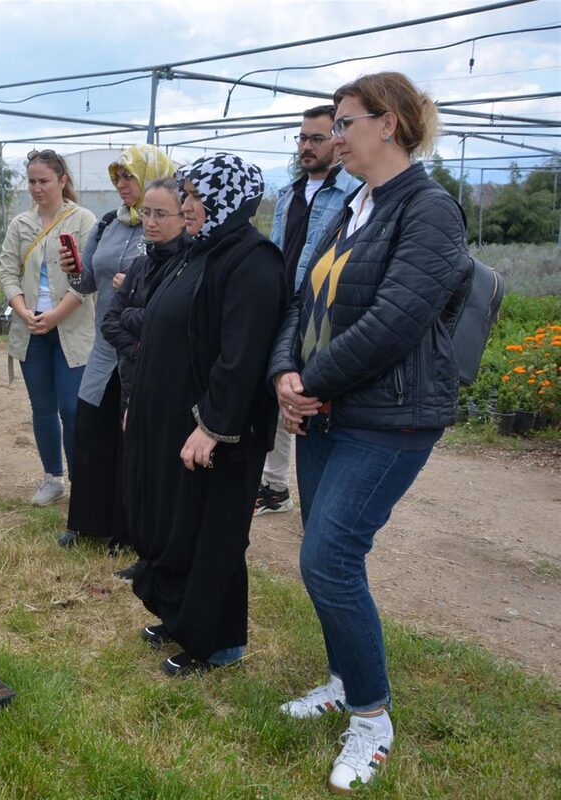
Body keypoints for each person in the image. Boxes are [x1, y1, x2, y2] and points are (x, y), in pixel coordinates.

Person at [268, 72, 469, 793]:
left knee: (329, 558)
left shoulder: (430, 209)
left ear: (389, 124)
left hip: (390, 417)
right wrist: (285, 376)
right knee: (324, 557)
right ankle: (345, 679)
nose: (333, 138)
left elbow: (396, 320)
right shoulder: (353, 203)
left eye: (345, 123)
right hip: (329, 409)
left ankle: (373, 718)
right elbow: (303, 294)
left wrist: (311, 381)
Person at [121, 153, 285, 677]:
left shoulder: (253, 260)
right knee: (178, 522)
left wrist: (213, 426)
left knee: (213, 532)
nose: (185, 205)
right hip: (174, 417)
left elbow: (241, 356)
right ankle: (180, 615)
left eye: (194, 196)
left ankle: (218, 644)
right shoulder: (204, 251)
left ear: (224, 200)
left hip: (217, 430)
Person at [55, 145, 175, 549]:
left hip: (143, 349)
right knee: (90, 429)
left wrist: (140, 286)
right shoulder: (109, 223)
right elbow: (88, 281)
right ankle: (87, 521)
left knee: (131, 439)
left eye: (130, 176)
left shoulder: (170, 227)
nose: (122, 185)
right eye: (118, 177)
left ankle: (125, 530)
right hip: (105, 348)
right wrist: (74, 270)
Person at [255, 106, 360, 516]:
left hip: (320, 312)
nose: (306, 146)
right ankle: (275, 485)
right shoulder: (290, 194)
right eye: (301, 138)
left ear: (336, 140)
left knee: (314, 401)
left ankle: (321, 506)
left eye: (316, 138)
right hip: (285, 307)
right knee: (280, 390)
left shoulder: (352, 193)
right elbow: (279, 249)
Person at [100, 176, 189, 579]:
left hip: (169, 390)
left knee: (166, 475)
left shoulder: (188, 266)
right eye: (146, 213)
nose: (150, 222)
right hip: (133, 381)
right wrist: (144, 338)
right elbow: (111, 323)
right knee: (138, 470)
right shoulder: (140, 266)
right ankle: (147, 553)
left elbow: (176, 329)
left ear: (184, 216)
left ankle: (167, 556)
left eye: (160, 214)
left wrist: (143, 323)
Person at [0, 150, 96, 506]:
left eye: (44, 181)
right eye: (32, 182)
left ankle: (82, 480)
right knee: (42, 408)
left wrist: (55, 314)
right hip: (31, 328)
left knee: (72, 409)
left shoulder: (83, 220)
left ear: (62, 181)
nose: (37, 188)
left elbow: (88, 278)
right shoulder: (20, 224)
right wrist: (23, 311)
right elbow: (7, 271)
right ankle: (52, 478)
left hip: (70, 328)